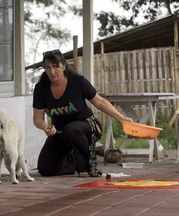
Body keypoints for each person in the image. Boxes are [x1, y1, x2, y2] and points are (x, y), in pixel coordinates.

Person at [32, 49, 132, 177]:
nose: (52, 71)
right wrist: (45, 127)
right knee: (46, 169)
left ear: (63, 66)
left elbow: (99, 102)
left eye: (55, 66)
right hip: (60, 132)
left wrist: (121, 118)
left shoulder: (78, 81)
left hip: (88, 126)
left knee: (71, 129)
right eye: (48, 68)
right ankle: (72, 161)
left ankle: (86, 167)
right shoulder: (41, 88)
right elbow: (37, 118)